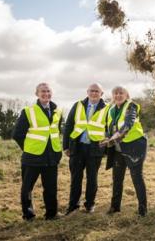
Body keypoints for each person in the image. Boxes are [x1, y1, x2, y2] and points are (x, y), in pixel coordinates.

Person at [12, 83, 62, 220]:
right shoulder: (29, 111)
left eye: (48, 91)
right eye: (42, 91)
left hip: (51, 157)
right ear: (37, 94)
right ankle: (28, 215)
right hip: (32, 157)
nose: (46, 94)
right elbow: (17, 134)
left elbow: (56, 132)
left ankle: (52, 214)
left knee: (51, 187)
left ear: (51, 93)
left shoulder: (58, 111)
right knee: (27, 188)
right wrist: (28, 148)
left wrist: (57, 152)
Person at [63, 83, 109, 214]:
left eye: (97, 91)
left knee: (92, 179)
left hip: (95, 149)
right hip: (77, 148)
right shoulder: (78, 105)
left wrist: (105, 150)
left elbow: (108, 130)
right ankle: (73, 206)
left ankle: (90, 205)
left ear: (102, 94)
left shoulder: (106, 109)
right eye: (91, 91)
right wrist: (66, 146)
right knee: (75, 178)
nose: (94, 93)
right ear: (87, 92)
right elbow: (69, 125)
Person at [105, 86, 147, 216]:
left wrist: (116, 135)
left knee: (136, 177)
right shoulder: (111, 109)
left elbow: (128, 123)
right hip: (118, 149)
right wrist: (107, 137)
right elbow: (109, 127)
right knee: (117, 178)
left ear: (126, 95)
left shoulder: (131, 106)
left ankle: (142, 210)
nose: (118, 95)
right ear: (113, 96)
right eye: (115, 93)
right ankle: (115, 207)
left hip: (134, 147)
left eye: (121, 93)